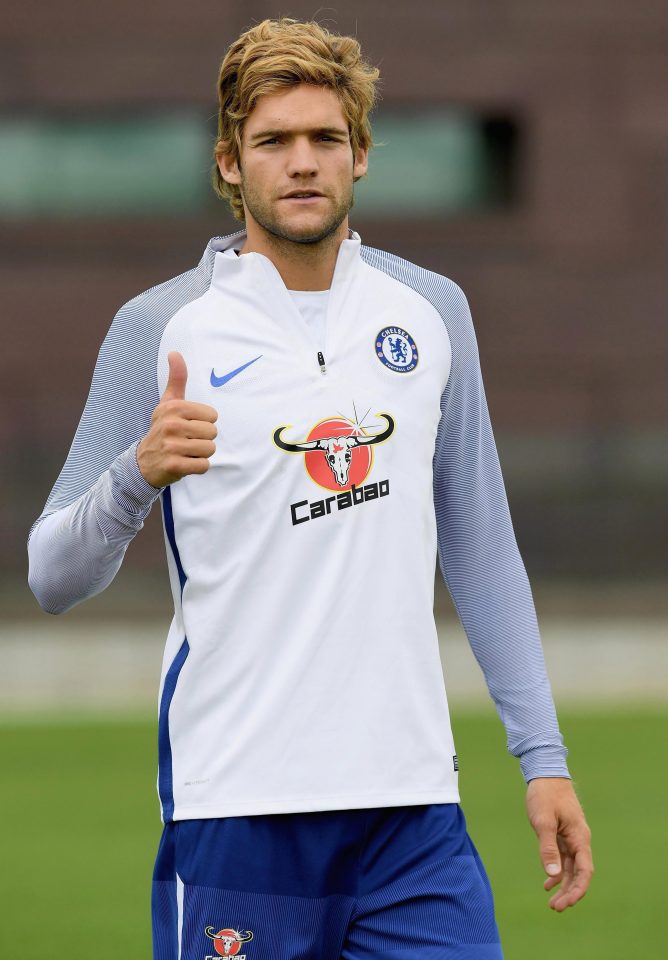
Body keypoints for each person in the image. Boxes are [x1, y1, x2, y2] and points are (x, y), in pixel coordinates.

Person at [28, 16, 593, 960]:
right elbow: (50, 574)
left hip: (412, 816)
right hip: (238, 811)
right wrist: (137, 475)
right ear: (228, 163)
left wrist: (544, 760)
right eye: (273, 141)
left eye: (325, 139)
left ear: (362, 155)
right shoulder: (160, 327)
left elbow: (481, 542)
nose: (302, 163)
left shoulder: (431, 312)